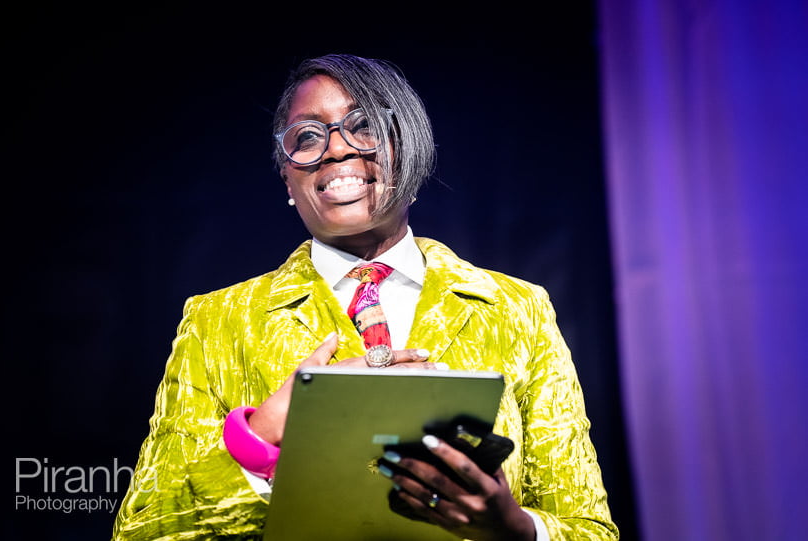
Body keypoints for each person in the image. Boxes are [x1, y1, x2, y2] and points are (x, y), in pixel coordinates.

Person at [112, 53, 619, 540]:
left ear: (410, 148)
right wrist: (261, 437)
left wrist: (513, 528)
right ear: (288, 176)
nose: (336, 149)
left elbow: (588, 528)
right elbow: (144, 530)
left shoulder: (517, 310)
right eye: (307, 136)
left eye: (364, 125)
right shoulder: (219, 321)